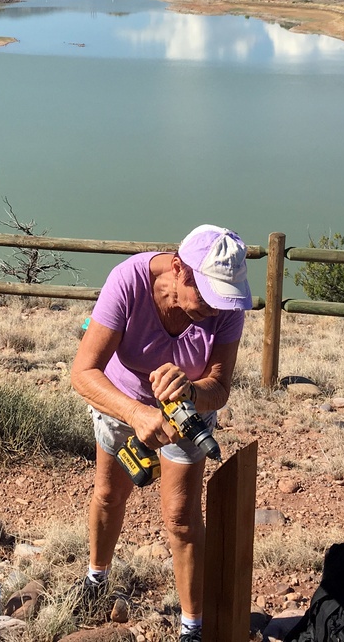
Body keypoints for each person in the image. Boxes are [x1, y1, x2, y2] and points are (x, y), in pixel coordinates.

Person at [71, 224, 251, 642]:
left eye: (225, 297)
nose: (216, 309)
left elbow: (219, 387)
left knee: (182, 519)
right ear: (178, 268)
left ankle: (192, 625)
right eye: (208, 295)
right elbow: (83, 372)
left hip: (187, 413)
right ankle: (96, 579)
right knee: (109, 495)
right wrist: (136, 414)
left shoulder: (226, 309)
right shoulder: (129, 281)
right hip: (121, 403)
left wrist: (190, 391)